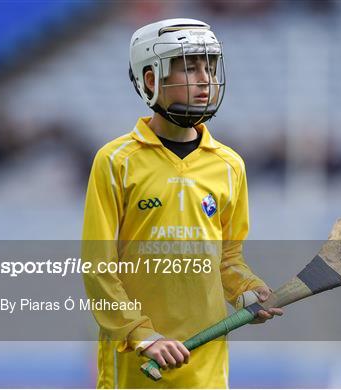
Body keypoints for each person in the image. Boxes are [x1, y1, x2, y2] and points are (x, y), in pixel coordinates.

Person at [81, 18, 282, 388]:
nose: (205, 78)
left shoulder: (228, 164)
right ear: (151, 79)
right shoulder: (115, 161)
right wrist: (141, 334)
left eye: (208, 66)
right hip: (136, 369)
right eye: (189, 67)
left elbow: (227, 259)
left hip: (206, 369)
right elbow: (98, 268)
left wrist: (247, 292)